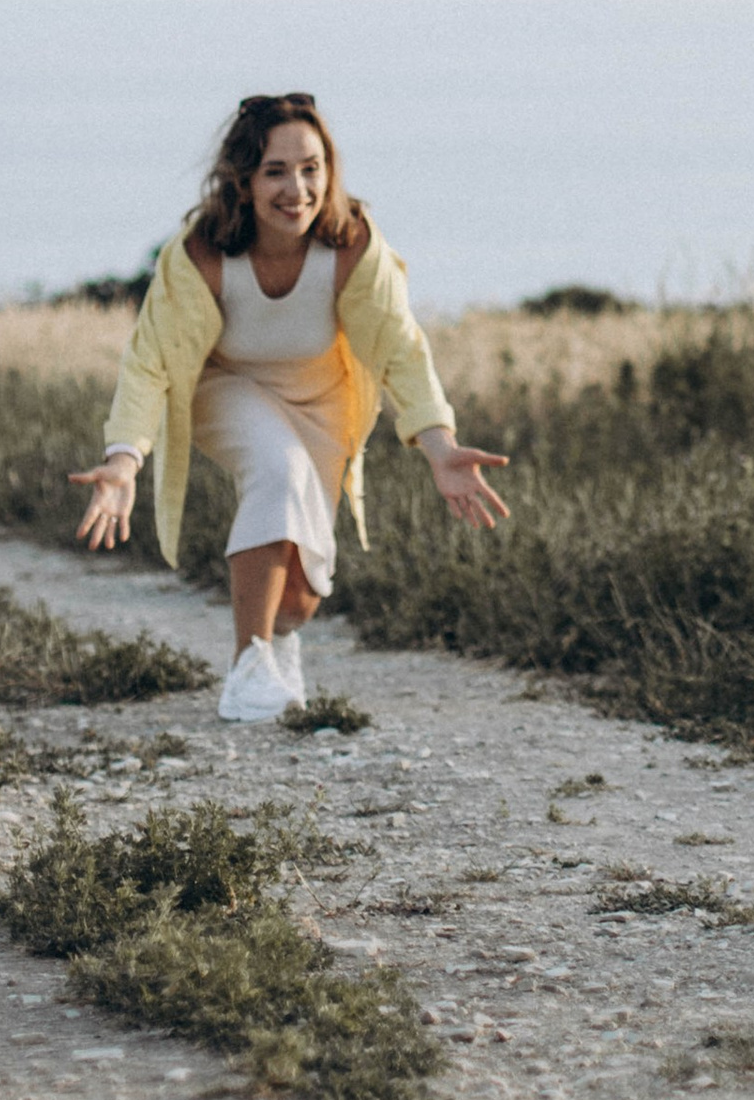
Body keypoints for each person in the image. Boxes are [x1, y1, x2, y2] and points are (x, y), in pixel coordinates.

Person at [69, 91, 508, 723]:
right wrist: (123, 461)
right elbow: (150, 361)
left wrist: (439, 446)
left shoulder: (352, 243)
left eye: (310, 169)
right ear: (243, 180)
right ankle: (247, 668)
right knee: (279, 471)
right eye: (275, 171)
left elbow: (399, 348)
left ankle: (276, 644)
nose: (296, 189)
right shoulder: (202, 253)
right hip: (225, 388)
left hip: (322, 404)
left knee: (300, 595)